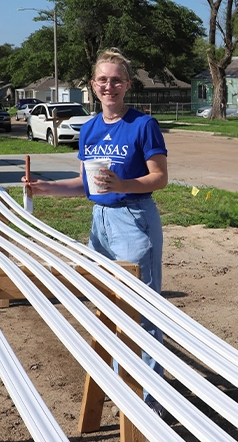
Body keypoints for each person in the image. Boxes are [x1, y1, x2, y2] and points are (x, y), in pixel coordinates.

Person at [26, 48, 169, 416]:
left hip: (135, 220)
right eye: (103, 80)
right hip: (100, 223)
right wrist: (46, 187)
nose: (110, 86)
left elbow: (159, 178)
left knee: (142, 309)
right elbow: (87, 185)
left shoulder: (142, 125)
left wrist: (122, 181)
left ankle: (149, 400)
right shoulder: (88, 128)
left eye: (117, 80)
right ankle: (122, 383)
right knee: (108, 304)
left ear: (128, 85)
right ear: (93, 85)